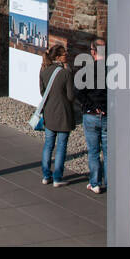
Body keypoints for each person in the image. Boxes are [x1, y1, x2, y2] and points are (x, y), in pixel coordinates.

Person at [38, 44, 77, 187]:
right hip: (63, 114)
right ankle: (57, 178)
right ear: (58, 57)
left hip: (49, 112)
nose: (67, 55)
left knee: (48, 145)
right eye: (65, 54)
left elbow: (42, 92)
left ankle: (46, 175)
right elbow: (71, 96)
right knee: (61, 147)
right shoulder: (65, 73)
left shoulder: (44, 70)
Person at [77, 37, 108, 194]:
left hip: (90, 115)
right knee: (108, 152)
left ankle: (95, 182)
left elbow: (79, 92)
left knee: (93, 151)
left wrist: (90, 106)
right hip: (107, 115)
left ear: (93, 52)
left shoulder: (87, 70)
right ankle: (109, 182)